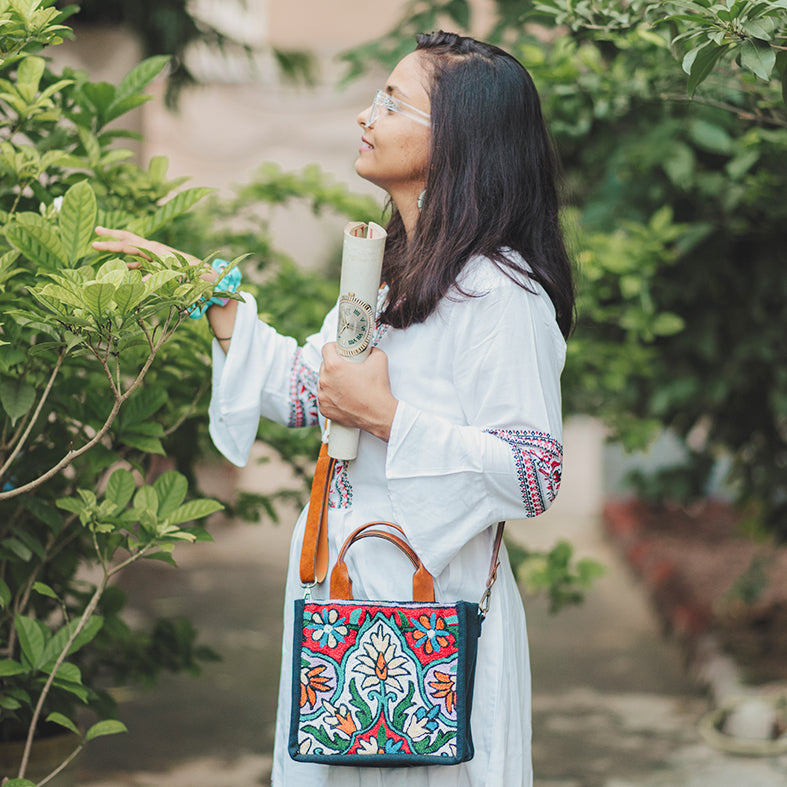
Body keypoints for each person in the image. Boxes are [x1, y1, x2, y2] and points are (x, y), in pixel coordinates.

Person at [94, 30, 574, 787]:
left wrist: (387, 417)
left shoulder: (501, 295)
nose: (364, 115)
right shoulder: (389, 275)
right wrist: (214, 301)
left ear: (456, 141)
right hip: (343, 599)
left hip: (432, 621)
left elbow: (534, 470)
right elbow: (307, 390)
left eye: (391, 101)